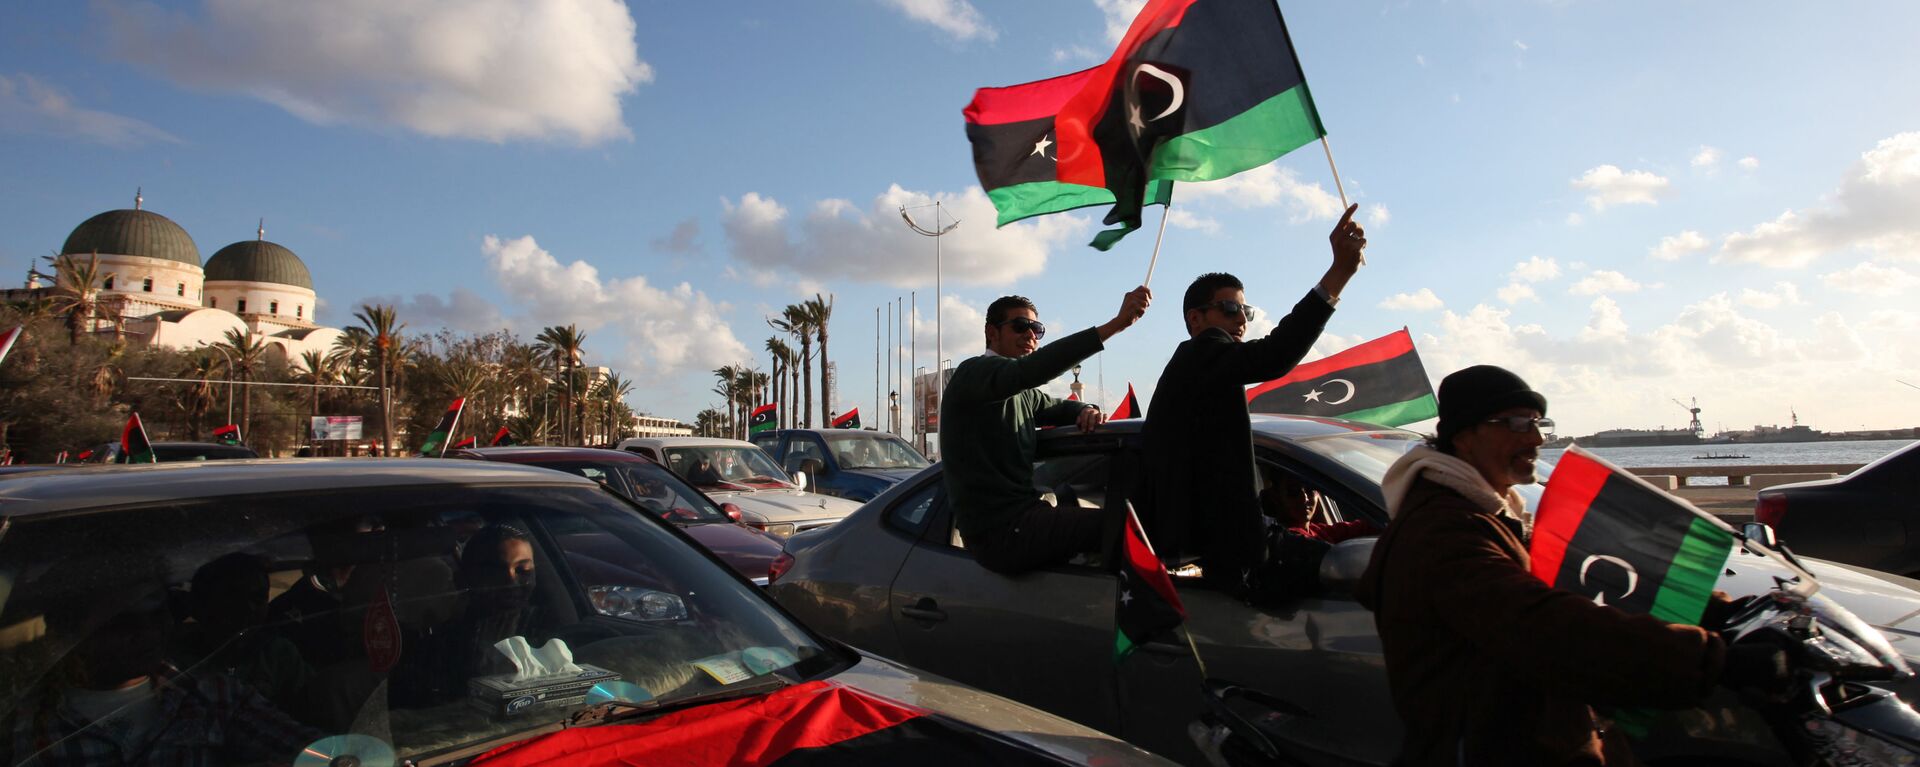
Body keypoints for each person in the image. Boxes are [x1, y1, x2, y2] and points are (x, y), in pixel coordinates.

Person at [1354, 365, 1777, 765]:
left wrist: (1719, 610)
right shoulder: (1444, 531)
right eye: (1518, 424)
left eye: (1540, 424)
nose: (1537, 439)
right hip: (1490, 752)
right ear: (1465, 434)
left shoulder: (1494, 514)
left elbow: (1602, 582)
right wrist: (1713, 660)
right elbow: (1546, 625)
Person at [1141, 204, 1366, 591]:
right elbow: (1276, 354)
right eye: (1230, 308)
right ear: (1196, 320)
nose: (1242, 318)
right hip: (1229, 551)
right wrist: (1338, 275)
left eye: (1246, 309)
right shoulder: (1202, 351)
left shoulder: (1211, 368)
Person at [942, 286, 1152, 574]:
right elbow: (1031, 371)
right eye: (1020, 326)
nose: (1030, 335)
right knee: (1125, 530)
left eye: (1037, 329)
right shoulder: (973, 374)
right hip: (1000, 531)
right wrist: (1115, 325)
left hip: (1026, 518)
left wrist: (1086, 411)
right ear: (992, 333)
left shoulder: (1024, 394)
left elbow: (1062, 407)